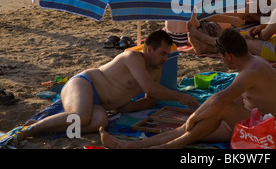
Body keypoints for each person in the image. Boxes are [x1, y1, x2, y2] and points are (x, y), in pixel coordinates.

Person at [99, 28, 276, 149]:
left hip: (271, 131)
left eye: (221, 57)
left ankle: (166, 147)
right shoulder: (249, 66)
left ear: (228, 56)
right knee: (194, 127)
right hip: (256, 123)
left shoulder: (251, 71)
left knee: (213, 111)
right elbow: (231, 102)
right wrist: (200, 118)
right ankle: (132, 146)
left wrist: (195, 116)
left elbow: (221, 101)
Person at [17, 30, 198, 141]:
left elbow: (150, 99)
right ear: (149, 49)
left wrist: (128, 106)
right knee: (81, 116)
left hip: (101, 105)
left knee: (99, 122)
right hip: (85, 83)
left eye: (167, 55)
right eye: (162, 54)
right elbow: (150, 88)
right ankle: (33, 128)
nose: (165, 59)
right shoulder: (132, 57)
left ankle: (46, 126)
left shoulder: (155, 70)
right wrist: (179, 96)